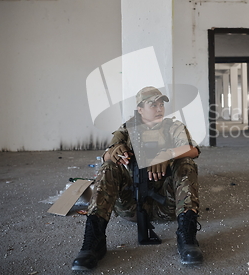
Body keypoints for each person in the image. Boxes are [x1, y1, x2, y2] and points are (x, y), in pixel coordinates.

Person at [72, 86, 203, 270]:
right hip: (131, 205)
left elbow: (193, 150)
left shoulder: (173, 127)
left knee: (186, 163)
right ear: (140, 109)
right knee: (108, 167)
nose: (159, 109)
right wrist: (113, 152)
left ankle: (187, 237)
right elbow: (106, 156)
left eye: (161, 104)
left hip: (168, 204)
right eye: (153, 105)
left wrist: (167, 154)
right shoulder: (127, 129)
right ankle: (93, 241)